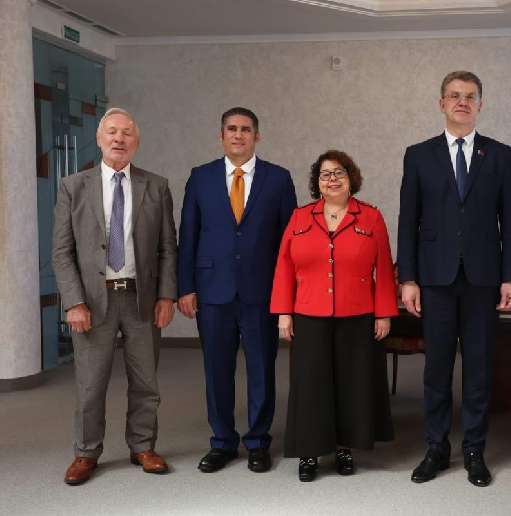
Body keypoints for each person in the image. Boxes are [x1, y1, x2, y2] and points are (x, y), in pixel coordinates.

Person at [397, 70, 511, 487]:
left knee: (479, 369)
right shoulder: (418, 155)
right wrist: (408, 278)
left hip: (484, 279)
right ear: (442, 103)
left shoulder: (500, 155)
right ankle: (436, 447)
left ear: (480, 105)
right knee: (436, 369)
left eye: (470, 96)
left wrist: (510, 276)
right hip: (434, 278)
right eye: (454, 96)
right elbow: (408, 220)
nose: (462, 102)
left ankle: (474, 450)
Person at [52, 108, 177, 485]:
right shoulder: (73, 186)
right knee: (91, 384)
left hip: (141, 299)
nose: (119, 139)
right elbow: (62, 251)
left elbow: (168, 248)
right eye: (112, 132)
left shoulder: (156, 186)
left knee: (146, 381)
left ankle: (143, 446)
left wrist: (166, 296)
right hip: (92, 302)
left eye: (126, 133)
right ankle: (86, 452)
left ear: (136, 141)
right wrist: (74, 302)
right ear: (99, 138)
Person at [177, 107, 297, 474]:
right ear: (221, 135)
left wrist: (286, 294)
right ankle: (223, 442)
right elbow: (188, 235)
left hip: (262, 292)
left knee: (261, 368)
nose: (238, 135)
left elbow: (289, 242)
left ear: (257, 136)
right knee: (217, 370)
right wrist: (186, 287)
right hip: (213, 291)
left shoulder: (278, 179)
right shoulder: (201, 177)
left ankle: (258, 442)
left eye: (246, 129)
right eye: (232, 129)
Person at [271, 150, 397, 482]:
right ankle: (309, 452)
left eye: (339, 173)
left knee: (351, 385)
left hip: (357, 315)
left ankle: (344, 448)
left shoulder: (370, 218)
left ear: (351, 178)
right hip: (308, 314)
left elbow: (384, 269)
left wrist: (384, 313)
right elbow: (284, 266)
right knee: (310, 385)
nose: (332, 179)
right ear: (317, 182)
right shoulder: (300, 217)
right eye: (325, 174)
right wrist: (283, 313)